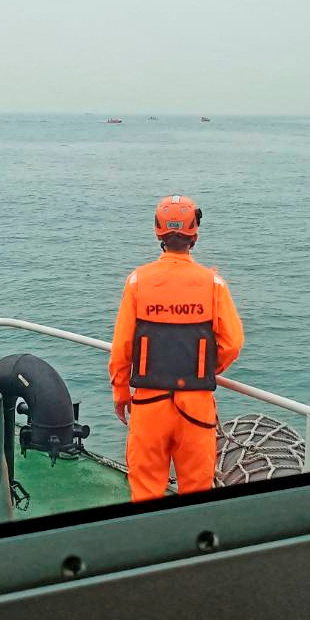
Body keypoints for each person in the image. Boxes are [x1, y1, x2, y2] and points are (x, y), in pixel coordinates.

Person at [107, 194, 244, 502]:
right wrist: (204, 367)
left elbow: (122, 347)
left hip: (148, 406)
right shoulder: (213, 284)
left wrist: (121, 393)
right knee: (196, 497)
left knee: (145, 493)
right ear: (194, 233)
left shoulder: (137, 281)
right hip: (196, 408)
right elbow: (232, 343)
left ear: (158, 232)